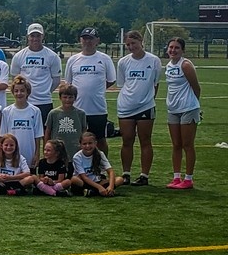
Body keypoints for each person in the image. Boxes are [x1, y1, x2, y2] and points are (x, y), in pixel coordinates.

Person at [116, 30, 162, 185]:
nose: (130, 47)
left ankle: (144, 175)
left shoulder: (154, 60)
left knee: (145, 140)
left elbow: (155, 84)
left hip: (146, 106)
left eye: (133, 43)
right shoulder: (123, 62)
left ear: (141, 41)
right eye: (128, 44)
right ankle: (126, 173)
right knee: (127, 140)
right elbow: (122, 84)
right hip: (125, 106)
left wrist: (147, 100)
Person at [64, 27, 116, 155]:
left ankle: (102, 167)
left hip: (97, 109)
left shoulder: (104, 59)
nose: (87, 42)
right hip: (77, 109)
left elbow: (111, 79)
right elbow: (68, 84)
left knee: (100, 140)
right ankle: (78, 168)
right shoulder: (73, 60)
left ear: (97, 40)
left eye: (90, 39)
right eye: (85, 39)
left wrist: (96, 90)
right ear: (80, 40)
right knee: (77, 139)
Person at [164, 37, 201, 189]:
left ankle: (188, 179)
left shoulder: (185, 65)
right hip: (173, 109)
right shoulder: (168, 65)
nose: (173, 50)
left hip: (187, 108)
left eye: (177, 48)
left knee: (187, 144)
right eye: (171, 47)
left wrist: (195, 105)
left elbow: (196, 87)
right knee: (176, 145)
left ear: (182, 50)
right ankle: (176, 177)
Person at [9, 23, 61, 118]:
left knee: (44, 132)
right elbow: (15, 79)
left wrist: (45, 92)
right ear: (28, 37)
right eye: (32, 36)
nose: (35, 39)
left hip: (45, 102)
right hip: (25, 102)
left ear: (43, 36)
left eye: (38, 36)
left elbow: (56, 80)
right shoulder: (18, 56)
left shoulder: (52, 56)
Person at [0, 75, 44, 168]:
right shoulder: (7, 111)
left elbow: (37, 136)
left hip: (29, 154)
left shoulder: (35, 111)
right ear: (13, 92)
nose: (19, 93)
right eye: (16, 91)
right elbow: (2, 136)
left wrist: (37, 155)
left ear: (27, 92)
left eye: (22, 91)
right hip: (11, 155)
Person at [73, 132, 124, 197]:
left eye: (90, 143)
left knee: (120, 179)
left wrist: (111, 186)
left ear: (95, 143)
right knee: (74, 179)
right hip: (85, 182)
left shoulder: (100, 154)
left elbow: (110, 171)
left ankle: (93, 192)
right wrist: (99, 187)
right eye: (84, 144)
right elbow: (84, 177)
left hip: (98, 181)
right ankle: (101, 191)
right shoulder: (77, 157)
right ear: (80, 145)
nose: (87, 146)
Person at [44, 83, 88, 156]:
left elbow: (84, 131)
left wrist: (83, 145)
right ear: (60, 98)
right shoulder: (53, 113)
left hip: (75, 150)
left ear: (75, 98)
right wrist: (47, 148)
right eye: (65, 97)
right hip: (57, 151)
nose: (67, 100)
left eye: (70, 97)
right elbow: (48, 132)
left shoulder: (81, 114)